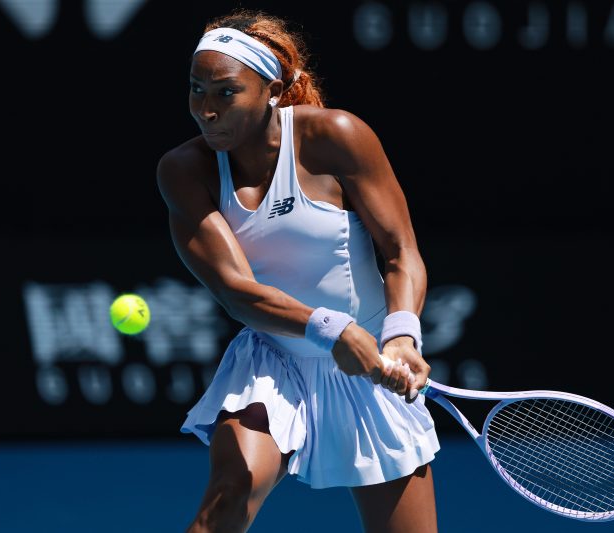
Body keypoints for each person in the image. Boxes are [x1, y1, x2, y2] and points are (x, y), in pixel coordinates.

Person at [156, 8, 440, 533]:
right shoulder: (185, 171)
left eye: (226, 92)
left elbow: (400, 250)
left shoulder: (336, 135)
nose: (206, 110)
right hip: (274, 360)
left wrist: (401, 334)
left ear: (272, 90)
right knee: (227, 498)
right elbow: (238, 292)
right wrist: (333, 329)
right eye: (196, 90)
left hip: (371, 358)